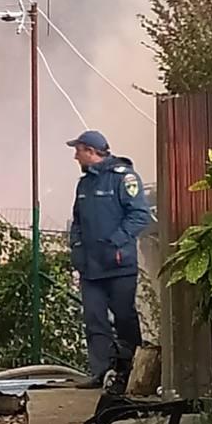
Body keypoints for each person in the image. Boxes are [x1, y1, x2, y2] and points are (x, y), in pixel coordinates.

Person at [67, 130, 152, 393]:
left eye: (78, 150)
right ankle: (100, 373)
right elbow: (78, 221)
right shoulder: (84, 184)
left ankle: (131, 374)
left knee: (125, 319)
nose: (75, 155)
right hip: (90, 268)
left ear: (91, 152)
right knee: (94, 321)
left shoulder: (124, 178)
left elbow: (140, 215)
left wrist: (117, 241)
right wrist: (77, 247)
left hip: (118, 266)